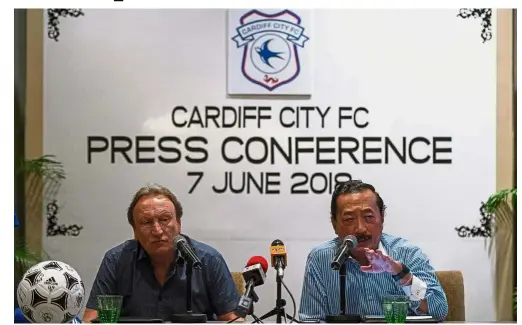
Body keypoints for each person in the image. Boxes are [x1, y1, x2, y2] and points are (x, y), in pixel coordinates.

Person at [83, 184, 240, 322]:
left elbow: (234, 321)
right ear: (135, 231)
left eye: (164, 219)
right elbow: (91, 320)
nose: (157, 231)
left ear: (178, 224)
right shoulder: (116, 260)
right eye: (146, 222)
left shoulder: (208, 260)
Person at [299, 180, 448, 322]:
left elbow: (439, 310)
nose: (360, 229)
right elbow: (310, 320)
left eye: (368, 217)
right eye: (349, 219)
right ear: (334, 224)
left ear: (382, 218)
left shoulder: (407, 254)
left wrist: (403, 277)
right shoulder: (321, 259)